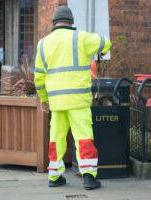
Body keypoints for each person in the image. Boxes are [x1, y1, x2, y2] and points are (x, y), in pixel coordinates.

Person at [34, 5, 112, 190]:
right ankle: (88, 178)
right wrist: (99, 50)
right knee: (83, 137)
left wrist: (45, 97)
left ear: (54, 22)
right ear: (71, 22)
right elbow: (105, 42)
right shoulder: (81, 37)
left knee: (56, 138)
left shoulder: (43, 44)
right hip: (78, 100)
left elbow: (38, 77)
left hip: (57, 101)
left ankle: (54, 177)